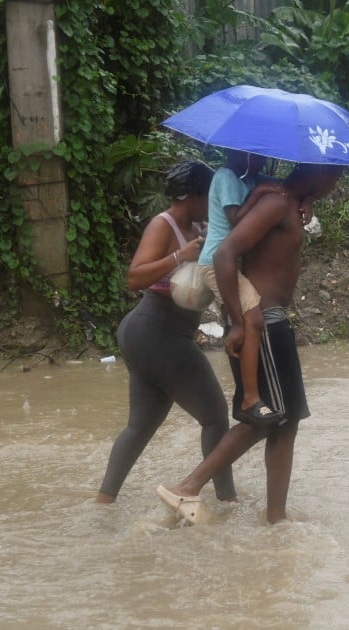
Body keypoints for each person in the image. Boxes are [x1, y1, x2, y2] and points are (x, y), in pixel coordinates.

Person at [156, 162, 346, 525]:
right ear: (319, 173)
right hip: (265, 324)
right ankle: (189, 487)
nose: (335, 186)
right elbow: (225, 254)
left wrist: (305, 200)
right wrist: (240, 322)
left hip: (270, 325)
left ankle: (275, 517)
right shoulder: (276, 203)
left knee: (282, 422)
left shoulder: (282, 199)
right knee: (264, 421)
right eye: (335, 178)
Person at [95, 161, 236, 504]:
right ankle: (226, 502)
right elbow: (134, 277)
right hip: (157, 330)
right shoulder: (164, 225)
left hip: (151, 336)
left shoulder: (203, 225)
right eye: (209, 195)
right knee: (216, 417)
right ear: (192, 196)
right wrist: (179, 255)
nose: (212, 202)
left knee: (140, 426)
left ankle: (103, 502)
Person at [196, 149, 283, 428]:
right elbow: (236, 221)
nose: (260, 161)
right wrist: (259, 194)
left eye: (261, 156)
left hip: (229, 263)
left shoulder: (252, 179)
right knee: (251, 320)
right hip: (216, 262)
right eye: (254, 156)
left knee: (250, 322)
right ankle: (250, 400)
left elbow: (284, 189)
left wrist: (306, 201)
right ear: (239, 154)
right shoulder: (225, 176)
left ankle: (245, 397)